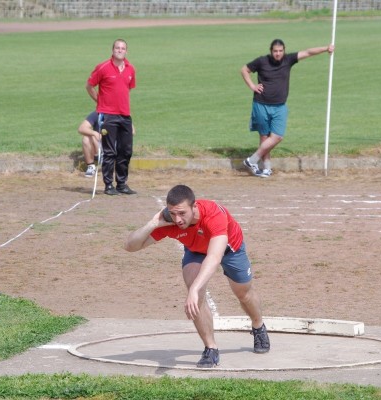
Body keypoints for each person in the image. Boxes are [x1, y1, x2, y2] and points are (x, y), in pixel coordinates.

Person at [123, 184, 270, 368]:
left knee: (243, 294)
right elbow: (131, 246)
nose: (177, 219)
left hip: (229, 248)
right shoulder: (169, 221)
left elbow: (215, 256)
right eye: (173, 213)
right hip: (196, 250)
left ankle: (258, 326)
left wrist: (194, 289)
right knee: (196, 291)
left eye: (182, 213)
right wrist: (153, 223)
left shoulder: (213, 214)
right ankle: (211, 348)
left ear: (194, 207)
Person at [241, 39, 335, 178]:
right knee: (264, 137)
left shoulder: (289, 59)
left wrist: (326, 48)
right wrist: (252, 86)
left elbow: (308, 52)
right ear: (271, 51)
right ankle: (267, 168)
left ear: (284, 51)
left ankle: (252, 160)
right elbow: (244, 70)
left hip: (280, 106)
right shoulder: (262, 61)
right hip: (261, 104)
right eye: (275, 51)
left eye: (280, 51)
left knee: (277, 136)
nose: (278, 54)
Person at [86, 38, 137, 195]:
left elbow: (126, 91)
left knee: (126, 150)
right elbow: (89, 86)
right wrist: (100, 101)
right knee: (109, 151)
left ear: (126, 51)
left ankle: (122, 183)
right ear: (112, 50)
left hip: (125, 115)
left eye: (123, 48)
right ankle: (108, 185)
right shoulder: (103, 68)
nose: (120, 50)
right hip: (108, 115)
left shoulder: (130, 69)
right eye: (117, 48)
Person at [77, 111, 101, 177]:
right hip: (99, 144)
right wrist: (95, 133)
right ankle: (91, 166)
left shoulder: (118, 113)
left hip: (113, 145)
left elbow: (132, 130)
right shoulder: (97, 114)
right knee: (86, 138)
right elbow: (81, 128)